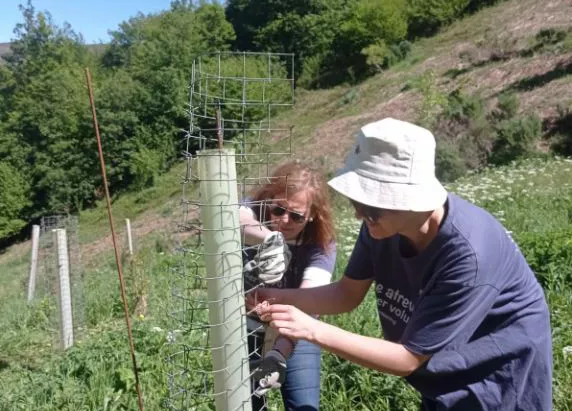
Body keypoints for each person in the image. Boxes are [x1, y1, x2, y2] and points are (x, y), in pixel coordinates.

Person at [252, 118, 552, 410]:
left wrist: (311, 329)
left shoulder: (468, 254)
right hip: (444, 367)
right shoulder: (380, 226)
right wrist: (272, 296)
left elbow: (408, 359)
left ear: (410, 200)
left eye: (370, 207)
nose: (359, 215)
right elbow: (345, 294)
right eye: (359, 204)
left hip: (498, 374)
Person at [240, 161, 337, 411]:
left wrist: (279, 354)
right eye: (278, 209)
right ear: (268, 199)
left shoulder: (320, 245)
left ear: (313, 214)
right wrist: (270, 239)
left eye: (296, 216)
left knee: (304, 406)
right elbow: (234, 216)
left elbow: (310, 301)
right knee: (246, 405)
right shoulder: (255, 213)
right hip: (243, 332)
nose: (283, 220)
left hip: (296, 332)